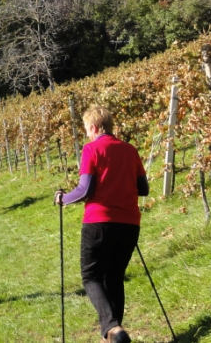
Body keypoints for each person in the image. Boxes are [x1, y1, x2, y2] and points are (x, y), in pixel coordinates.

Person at [54, 105, 149, 343]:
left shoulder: (92, 149)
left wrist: (62, 198)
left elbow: (85, 189)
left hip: (99, 221)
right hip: (129, 223)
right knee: (114, 277)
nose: (87, 134)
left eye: (87, 129)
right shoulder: (130, 150)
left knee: (91, 276)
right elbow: (143, 189)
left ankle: (113, 329)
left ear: (94, 128)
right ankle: (113, 335)